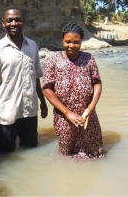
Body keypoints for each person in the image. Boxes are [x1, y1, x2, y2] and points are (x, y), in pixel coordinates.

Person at [0, 6, 48, 152]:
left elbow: (36, 77)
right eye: (9, 20)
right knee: (4, 155)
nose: (14, 23)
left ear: (23, 22)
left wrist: (43, 102)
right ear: (3, 23)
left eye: (17, 20)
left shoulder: (32, 46)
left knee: (31, 150)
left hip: (30, 112)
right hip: (8, 114)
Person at [42, 22, 105, 158]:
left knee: (94, 154)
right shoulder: (53, 60)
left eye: (76, 42)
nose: (71, 46)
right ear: (62, 41)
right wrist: (68, 113)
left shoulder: (89, 59)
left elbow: (97, 84)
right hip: (64, 119)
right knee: (67, 156)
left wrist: (90, 108)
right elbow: (47, 89)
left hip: (88, 118)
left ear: (81, 42)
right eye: (68, 42)